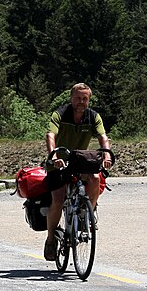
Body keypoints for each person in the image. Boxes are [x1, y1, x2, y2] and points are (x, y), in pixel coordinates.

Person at [44, 83, 112, 261]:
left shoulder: (93, 117)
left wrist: (107, 155)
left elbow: (103, 137)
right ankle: (51, 239)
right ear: (71, 98)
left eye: (85, 98)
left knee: (96, 177)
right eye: (78, 98)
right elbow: (50, 135)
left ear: (88, 100)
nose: (81, 102)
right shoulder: (60, 114)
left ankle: (87, 210)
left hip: (80, 161)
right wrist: (53, 155)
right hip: (58, 162)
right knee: (58, 201)